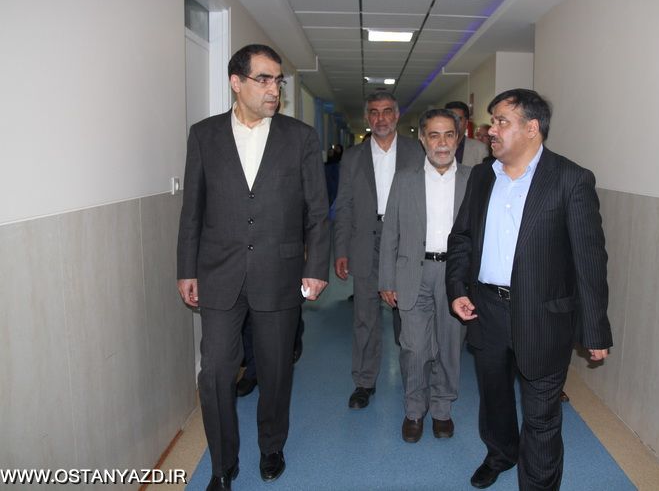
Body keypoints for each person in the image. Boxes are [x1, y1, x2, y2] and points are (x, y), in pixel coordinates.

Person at [177, 44, 329, 490]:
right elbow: (192, 210)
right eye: (263, 79)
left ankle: (271, 446)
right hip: (218, 273)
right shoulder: (204, 136)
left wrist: (316, 267)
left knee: (276, 370)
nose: (273, 89)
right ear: (236, 82)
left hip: (279, 273)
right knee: (215, 374)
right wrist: (187, 269)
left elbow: (318, 211)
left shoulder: (300, 137)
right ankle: (223, 465)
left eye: (277, 80)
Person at [446, 89, 612, 490]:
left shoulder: (571, 180)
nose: (491, 130)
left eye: (502, 121)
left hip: (543, 315)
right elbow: (462, 237)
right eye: (492, 121)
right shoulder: (483, 176)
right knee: (494, 397)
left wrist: (595, 330)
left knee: (541, 417)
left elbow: (589, 261)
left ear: (532, 128)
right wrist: (457, 288)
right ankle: (500, 453)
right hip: (486, 309)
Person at [378, 109, 470, 443]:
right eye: (434, 135)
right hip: (412, 273)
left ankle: (442, 408)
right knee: (413, 348)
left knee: (449, 346)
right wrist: (386, 280)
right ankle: (414, 409)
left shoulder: (474, 180)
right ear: (422, 139)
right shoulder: (405, 179)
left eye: (449, 135)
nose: (442, 143)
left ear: (458, 139)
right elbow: (390, 232)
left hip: (456, 277)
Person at [334, 91, 424, 410]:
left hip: (405, 242)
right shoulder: (352, 157)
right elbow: (344, 205)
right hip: (365, 242)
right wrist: (341, 249)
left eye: (387, 111)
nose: (381, 118)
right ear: (367, 118)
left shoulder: (417, 151)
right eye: (374, 112)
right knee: (365, 317)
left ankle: (414, 379)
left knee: (408, 315)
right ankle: (364, 382)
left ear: (397, 115)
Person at [445, 100, 489, 166]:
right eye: (450, 119)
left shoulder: (480, 149)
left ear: (466, 123)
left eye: (459, 119)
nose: (454, 123)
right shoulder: (433, 146)